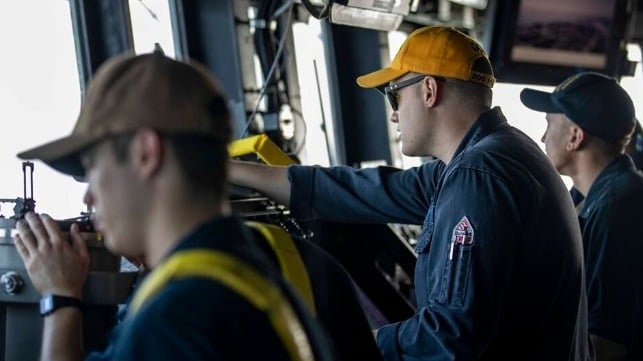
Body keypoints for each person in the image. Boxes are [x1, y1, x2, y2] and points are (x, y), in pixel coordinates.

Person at [229, 25, 590, 360]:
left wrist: (344, 343)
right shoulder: (497, 155)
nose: (393, 116)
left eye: (393, 96)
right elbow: (359, 190)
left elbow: (449, 336)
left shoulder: (477, 175)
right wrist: (233, 170)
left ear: (429, 91)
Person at [13, 49, 336, 360]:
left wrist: (58, 297)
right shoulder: (261, 267)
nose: (89, 197)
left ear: (145, 153)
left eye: (94, 167)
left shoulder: (178, 314)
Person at [521, 71, 643, 361]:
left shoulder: (618, 208)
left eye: (549, 124)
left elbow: (607, 345)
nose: (542, 137)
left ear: (575, 137)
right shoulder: (587, 196)